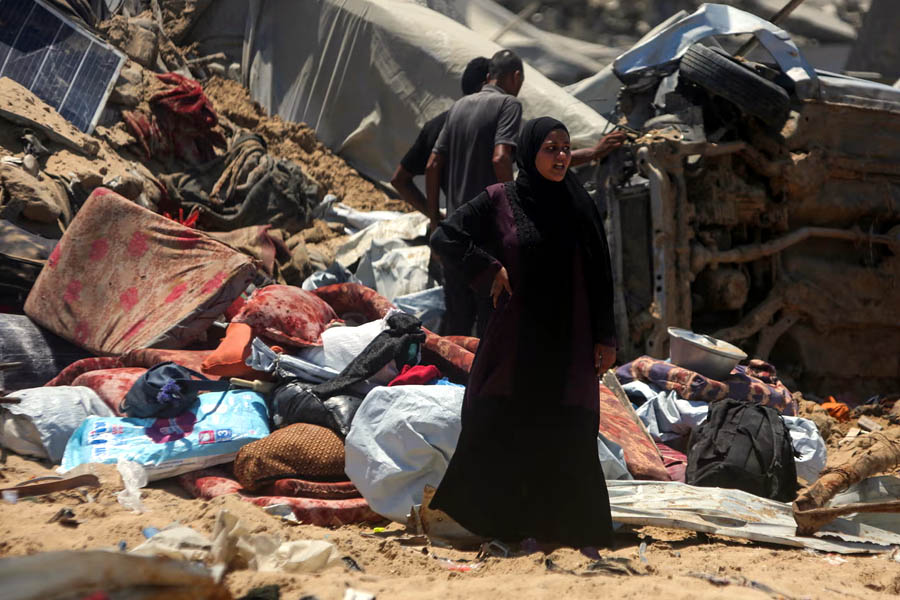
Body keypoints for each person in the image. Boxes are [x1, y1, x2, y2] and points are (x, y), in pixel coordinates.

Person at [428, 117, 619, 548]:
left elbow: (601, 273)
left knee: (568, 427)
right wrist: (488, 267)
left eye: (566, 148)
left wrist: (606, 337)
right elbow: (446, 236)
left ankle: (567, 526)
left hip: (569, 340)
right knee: (502, 420)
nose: (561, 156)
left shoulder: (579, 204)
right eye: (551, 148)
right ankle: (504, 524)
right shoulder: (501, 199)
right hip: (518, 341)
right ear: (530, 152)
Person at [426, 49, 525, 336]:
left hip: (455, 235)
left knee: (457, 328)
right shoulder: (509, 105)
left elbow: (432, 165)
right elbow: (501, 158)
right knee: (490, 328)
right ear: (515, 76)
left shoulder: (458, 107)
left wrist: (436, 223)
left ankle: (449, 380)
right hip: (486, 240)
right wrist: (514, 216)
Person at [390, 57, 490, 214]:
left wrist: (435, 217)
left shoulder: (436, 126)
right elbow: (401, 180)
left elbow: (400, 180)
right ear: (486, 85)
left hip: (459, 225)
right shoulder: (498, 126)